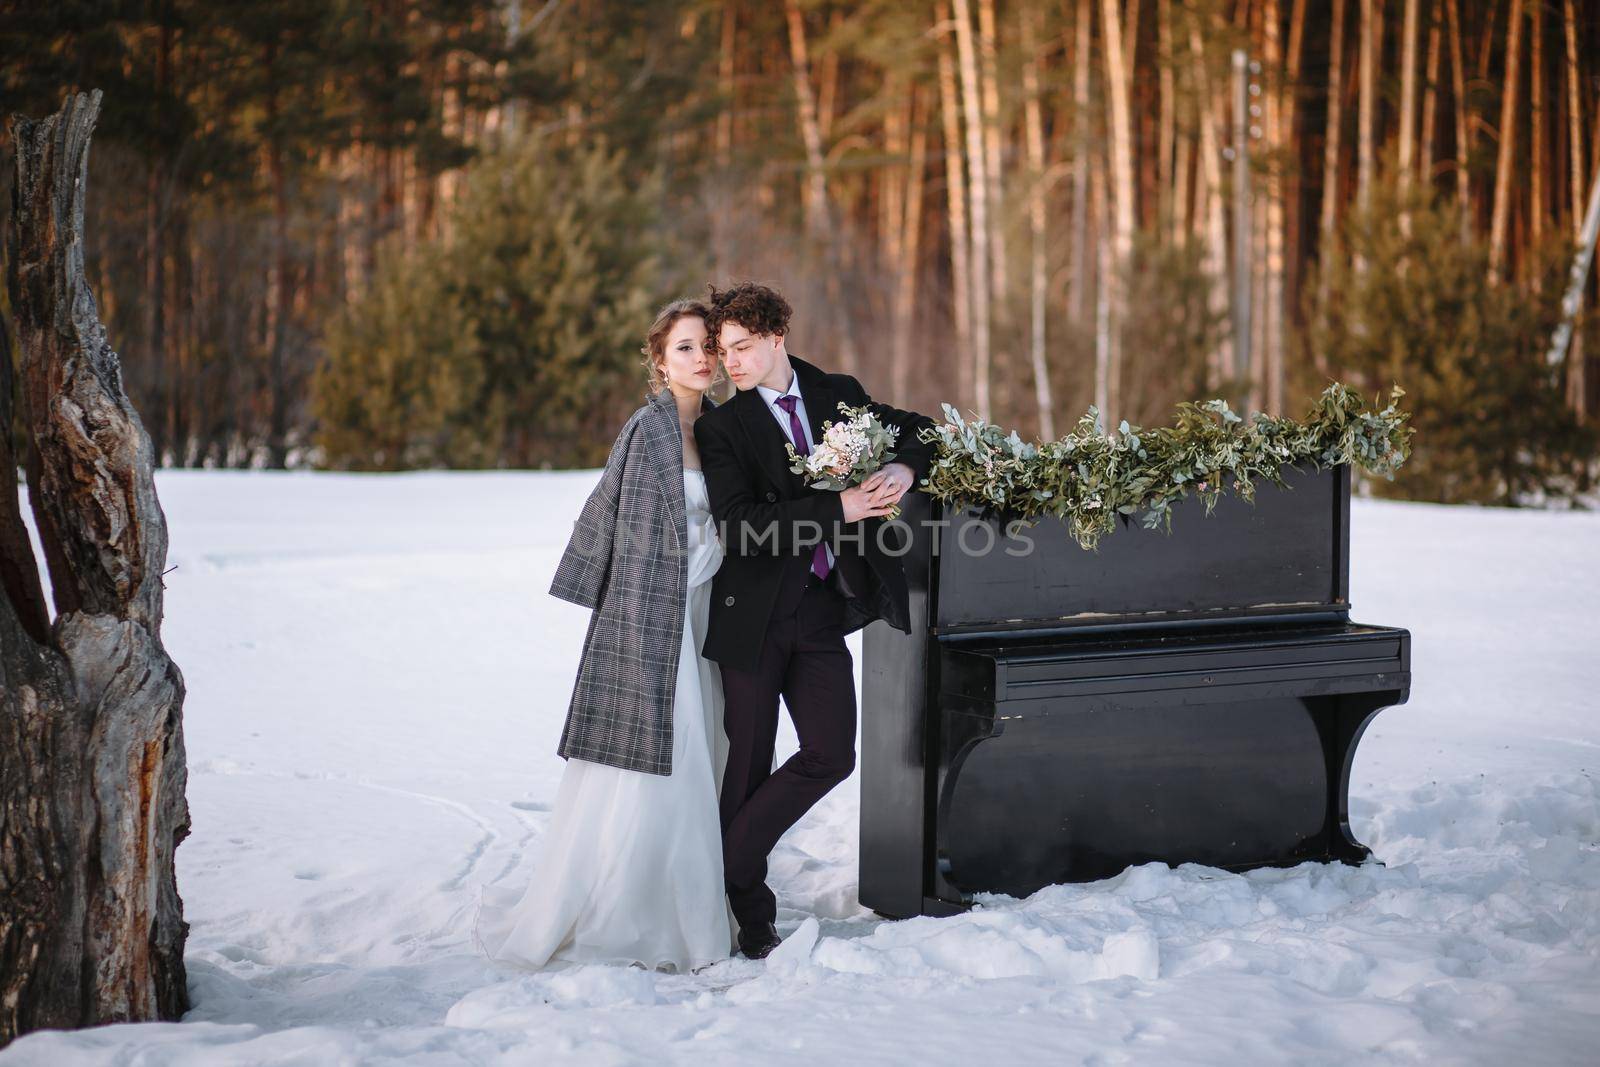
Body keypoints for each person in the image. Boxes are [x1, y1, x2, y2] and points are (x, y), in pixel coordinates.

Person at [473, 299, 735, 973]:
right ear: (658, 359)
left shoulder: (725, 430)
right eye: (684, 347)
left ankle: (690, 898)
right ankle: (635, 908)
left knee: (704, 746)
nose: (700, 357)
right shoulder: (643, 432)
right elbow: (616, 517)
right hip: (650, 615)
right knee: (658, 751)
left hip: (707, 611)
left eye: (706, 345)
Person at [693, 282, 935, 959]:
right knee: (746, 764)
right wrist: (839, 511)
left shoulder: (838, 394)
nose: (731, 362)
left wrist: (901, 470)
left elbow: (920, 428)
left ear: (777, 338)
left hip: (823, 611)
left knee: (831, 753)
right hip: (754, 618)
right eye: (722, 350)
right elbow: (740, 527)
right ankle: (751, 914)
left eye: (742, 347)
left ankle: (724, 860)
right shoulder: (723, 426)